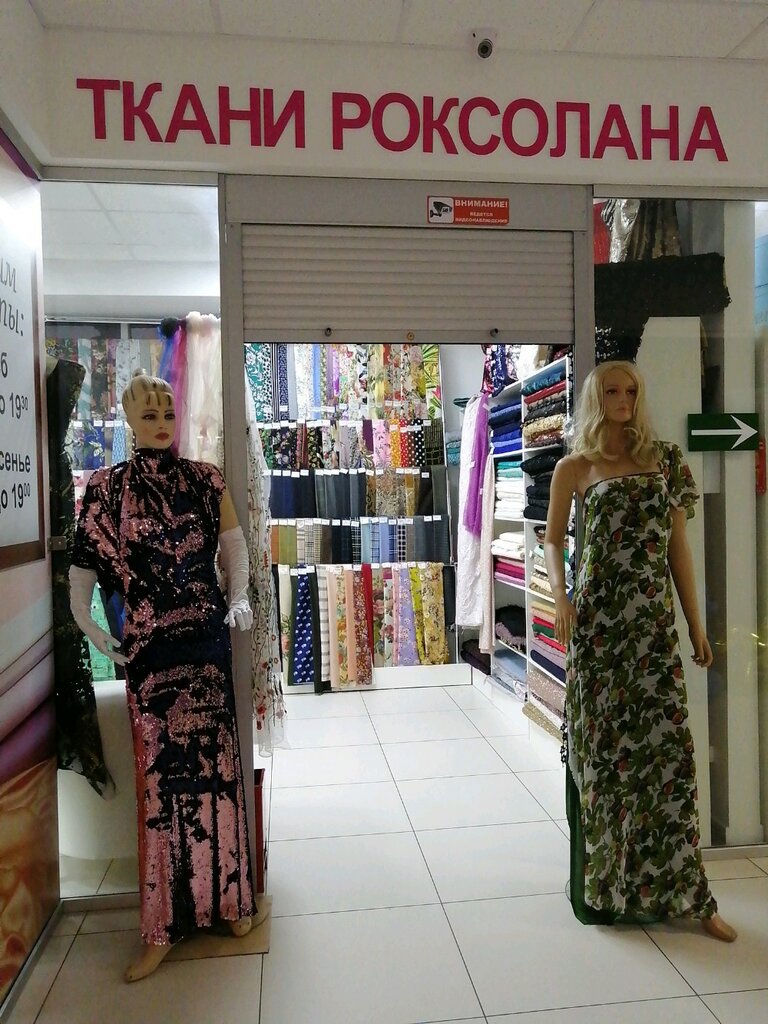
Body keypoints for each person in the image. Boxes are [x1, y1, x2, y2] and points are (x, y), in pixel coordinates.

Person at [69, 370, 259, 981]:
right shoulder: (106, 491)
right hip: (150, 657)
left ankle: (231, 901)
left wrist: (238, 597)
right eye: (149, 414)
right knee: (160, 787)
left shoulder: (205, 479)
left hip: (205, 647)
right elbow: (82, 575)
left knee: (218, 772)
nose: (161, 423)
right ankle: (162, 926)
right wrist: (92, 628)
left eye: (168, 413)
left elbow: (234, 547)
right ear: (129, 419)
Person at [544, 360, 737, 942]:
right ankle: (610, 889)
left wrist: (696, 624)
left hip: (652, 633)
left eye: (631, 390)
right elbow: (552, 539)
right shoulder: (575, 468)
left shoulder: (666, 461)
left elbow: (679, 548)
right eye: (612, 390)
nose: (623, 399)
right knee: (608, 763)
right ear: (596, 396)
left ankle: (692, 896)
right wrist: (561, 596)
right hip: (599, 633)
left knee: (668, 759)